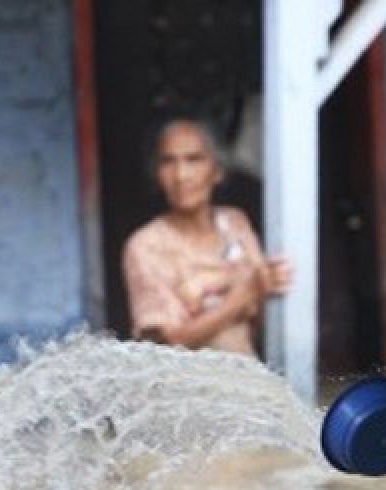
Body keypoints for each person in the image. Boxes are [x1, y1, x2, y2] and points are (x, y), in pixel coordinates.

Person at [122, 118, 292, 356]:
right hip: (191, 387)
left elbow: (264, 296)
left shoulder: (234, 223)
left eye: (194, 159)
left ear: (217, 171)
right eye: (168, 162)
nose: (181, 175)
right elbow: (169, 342)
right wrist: (243, 295)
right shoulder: (146, 245)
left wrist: (219, 284)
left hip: (248, 376)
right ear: (157, 174)